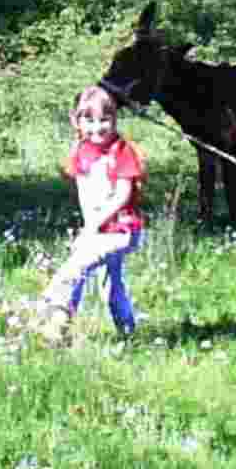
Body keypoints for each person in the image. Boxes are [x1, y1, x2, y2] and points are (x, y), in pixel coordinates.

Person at [37, 85, 146, 342]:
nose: (97, 128)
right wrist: (89, 227)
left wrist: (92, 227)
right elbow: (85, 191)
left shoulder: (121, 151)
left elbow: (121, 195)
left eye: (104, 120)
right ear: (76, 121)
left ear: (114, 120)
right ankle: (127, 330)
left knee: (75, 267)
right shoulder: (81, 150)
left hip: (121, 231)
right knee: (111, 283)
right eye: (89, 120)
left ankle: (53, 316)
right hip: (98, 230)